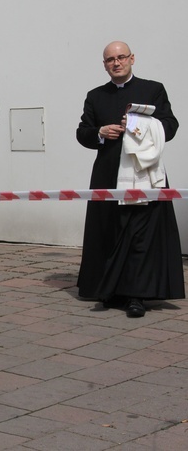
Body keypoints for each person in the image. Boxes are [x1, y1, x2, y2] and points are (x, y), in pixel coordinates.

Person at [76, 41, 185, 317]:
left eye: (121, 57)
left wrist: (138, 126)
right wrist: (100, 132)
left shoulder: (153, 89)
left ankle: (137, 295)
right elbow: (83, 132)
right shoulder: (95, 95)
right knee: (110, 232)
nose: (116, 63)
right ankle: (110, 289)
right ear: (104, 65)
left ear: (132, 58)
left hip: (143, 174)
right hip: (108, 174)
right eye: (110, 59)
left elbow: (170, 126)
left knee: (140, 234)